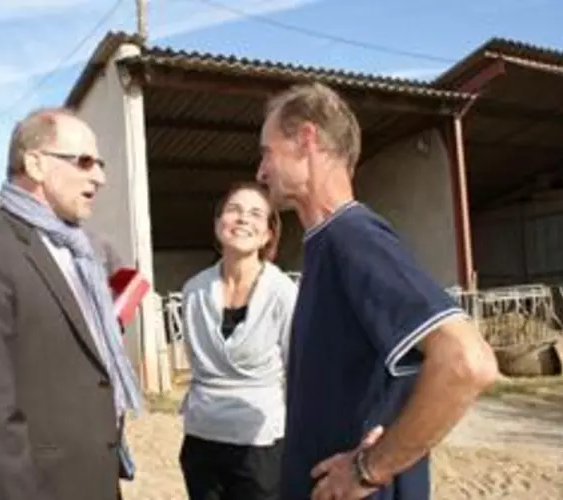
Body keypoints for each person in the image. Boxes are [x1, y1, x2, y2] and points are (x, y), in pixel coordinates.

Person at [255, 82, 499, 500]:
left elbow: (466, 361)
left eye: (267, 152)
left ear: (306, 140)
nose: (260, 172)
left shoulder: (352, 236)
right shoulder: (327, 245)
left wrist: (370, 469)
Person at [0, 107, 141, 500]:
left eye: (99, 164)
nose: (99, 177)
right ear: (35, 163)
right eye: (84, 162)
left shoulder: (78, 250)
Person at [179, 182, 297, 500]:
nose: (243, 219)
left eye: (256, 214)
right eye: (234, 210)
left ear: (269, 233)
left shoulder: (283, 293)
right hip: (202, 436)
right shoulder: (194, 291)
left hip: (260, 444)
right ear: (218, 223)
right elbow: (196, 363)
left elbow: (296, 368)